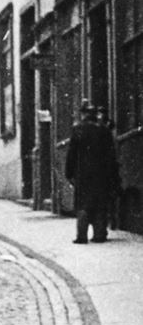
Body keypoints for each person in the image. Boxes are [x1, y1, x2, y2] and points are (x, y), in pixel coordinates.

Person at [65, 101, 120, 243]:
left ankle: (81, 236)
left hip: (82, 174)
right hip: (101, 174)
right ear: (95, 115)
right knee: (100, 204)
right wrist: (113, 175)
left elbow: (71, 154)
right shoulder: (104, 130)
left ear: (83, 114)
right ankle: (99, 235)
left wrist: (69, 173)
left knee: (82, 205)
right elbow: (111, 155)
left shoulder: (78, 130)